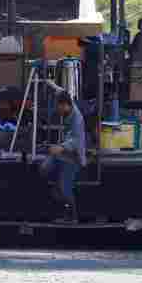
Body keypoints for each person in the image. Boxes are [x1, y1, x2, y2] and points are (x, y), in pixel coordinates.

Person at [40, 90, 86, 224]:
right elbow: (60, 90)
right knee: (44, 168)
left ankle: (72, 217)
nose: (57, 110)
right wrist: (51, 85)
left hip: (73, 158)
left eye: (58, 106)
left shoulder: (77, 118)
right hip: (64, 155)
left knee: (65, 188)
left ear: (65, 104)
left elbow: (76, 140)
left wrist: (60, 147)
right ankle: (57, 191)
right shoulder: (71, 107)